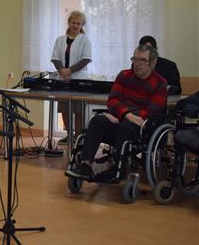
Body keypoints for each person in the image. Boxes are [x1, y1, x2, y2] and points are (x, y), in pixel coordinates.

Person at [67, 44, 167, 180]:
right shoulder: (124, 75)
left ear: (153, 63)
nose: (137, 64)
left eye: (142, 60)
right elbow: (113, 100)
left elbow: (152, 111)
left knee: (125, 127)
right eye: (135, 59)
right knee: (97, 120)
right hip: (121, 119)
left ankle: (117, 170)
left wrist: (122, 117)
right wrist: (125, 116)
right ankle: (85, 166)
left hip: (140, 127)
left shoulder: (160, 83)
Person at [50, 10, 92, 141]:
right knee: (64, 108)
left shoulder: (85, 40)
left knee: (78, 110)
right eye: (73, 22)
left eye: (78, 23)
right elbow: (55, 58)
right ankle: (69, 136)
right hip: (62, 78)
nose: (75, 25)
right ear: (69, 23)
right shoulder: (60, 40)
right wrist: (62, 71)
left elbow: (86, 59)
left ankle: (78, 137)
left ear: (82, 26)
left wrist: (69, 71)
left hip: (79, 79)